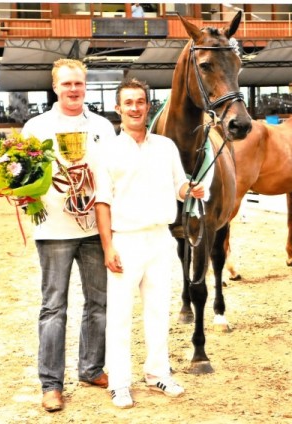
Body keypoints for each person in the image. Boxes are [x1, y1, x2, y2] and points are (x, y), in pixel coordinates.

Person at [95, 77, 205, 409]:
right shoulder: (107, 151)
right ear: (118, 109)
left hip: (161, 239)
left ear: (148, 106)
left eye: (140, 102)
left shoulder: (166, 146)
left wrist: (191, 190)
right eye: (128, 102)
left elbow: (179, 186)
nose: (134, 108)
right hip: (125, 241)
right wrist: (107, 247)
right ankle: (119, 382)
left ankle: (157, 373)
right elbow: (102, 202)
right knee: (120, 315)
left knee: (158, 311)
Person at [21, 58, 117, 413]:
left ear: (85, 85)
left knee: (98, 304)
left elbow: (113, 175)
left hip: (95, 227)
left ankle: (91, 368)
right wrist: (25, 195)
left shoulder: (104, 127)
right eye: (66, 84)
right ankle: (51, 383)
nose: (73, 89)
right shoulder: (36, 126)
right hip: (54, 230)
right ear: (55, 87)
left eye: (78, 83)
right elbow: (22, 175)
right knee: (53, 307)